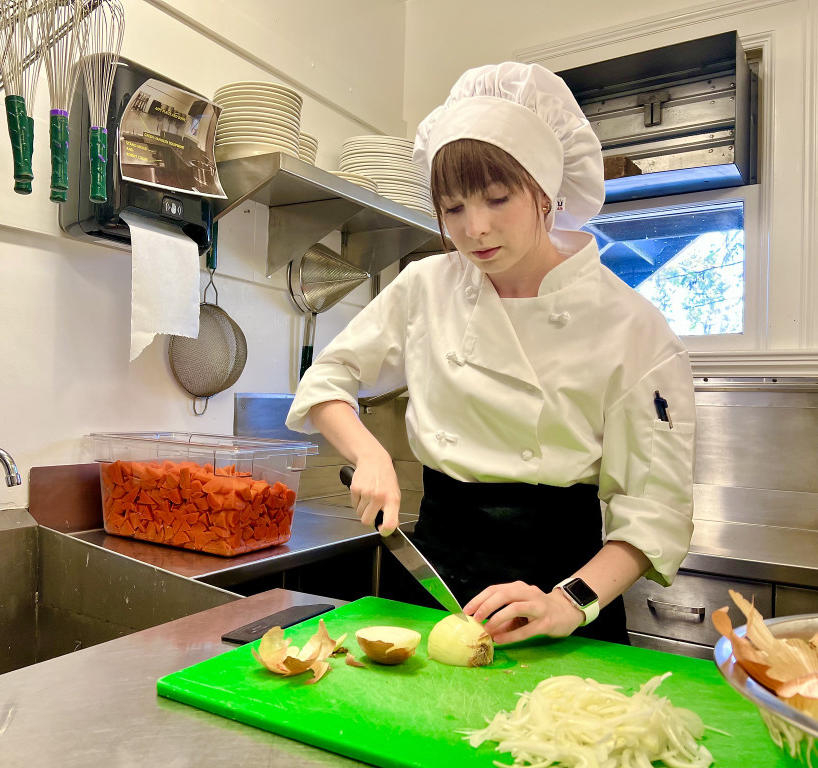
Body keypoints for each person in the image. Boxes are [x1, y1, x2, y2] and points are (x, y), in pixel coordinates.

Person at [285, 62, 696, 646]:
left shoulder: (630, 324)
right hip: (435, 584)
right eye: (452, 210)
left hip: (566, 593)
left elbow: (654, 511)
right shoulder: (427, 286)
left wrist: (568, 603)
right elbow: (328, 379)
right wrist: (370, 454)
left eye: (498, 199)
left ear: (547, 192)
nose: (474, 229)